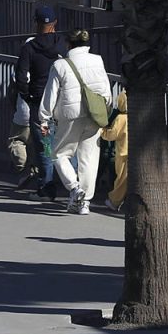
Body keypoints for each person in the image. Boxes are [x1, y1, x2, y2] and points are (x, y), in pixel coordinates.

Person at [37, 28, 112, 215]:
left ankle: (74, 188)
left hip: (70, 115)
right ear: (87, 44)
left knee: (58, 153)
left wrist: (44, 118)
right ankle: (85, 202)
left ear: (69, 44)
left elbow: (50, 94)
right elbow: (106, 90)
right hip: (94, 115)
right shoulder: (98, 60)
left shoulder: (60, 65)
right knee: (89, 158)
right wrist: (105, 110)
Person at [13, 6, 68, 196]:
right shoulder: (62, 44)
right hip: (61, 102)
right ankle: (74, 186)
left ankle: (46, 187)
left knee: (45, 146)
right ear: (55, 24)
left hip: (39, 102)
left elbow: (21, 76)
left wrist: (27, 96)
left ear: (36, 23)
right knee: (66, 144)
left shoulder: (29, 47)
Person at [100, 88, 129, 210]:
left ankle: (114, 201)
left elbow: (113, 134)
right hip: (134, 153)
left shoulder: (121, 118)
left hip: (122, 153)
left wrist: (102, 132)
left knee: (121, 180)